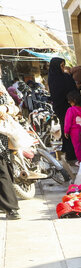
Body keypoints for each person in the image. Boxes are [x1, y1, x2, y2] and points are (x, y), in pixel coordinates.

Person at [47, 57, 77, 161]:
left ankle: (69, 151)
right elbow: (73, 90)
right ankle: (72, 152)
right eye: (61, 66)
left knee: (66, 128)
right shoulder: (64, 77)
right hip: (68, 107)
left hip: (59, 107)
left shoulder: (51, 78)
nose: (63, 68)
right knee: (71, 129)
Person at [0, 79, 21, 219]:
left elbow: (14, 107)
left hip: (2, 136)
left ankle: (11, 207)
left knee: (3, 168)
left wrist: (5, 109)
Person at [64, 90, 81, 163]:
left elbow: (68, 122)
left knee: (77, 147)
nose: (69, 102)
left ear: (73, 101)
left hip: (74, 132)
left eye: (69, 100)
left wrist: (66, 131)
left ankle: (80, 161)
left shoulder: (71, 110)